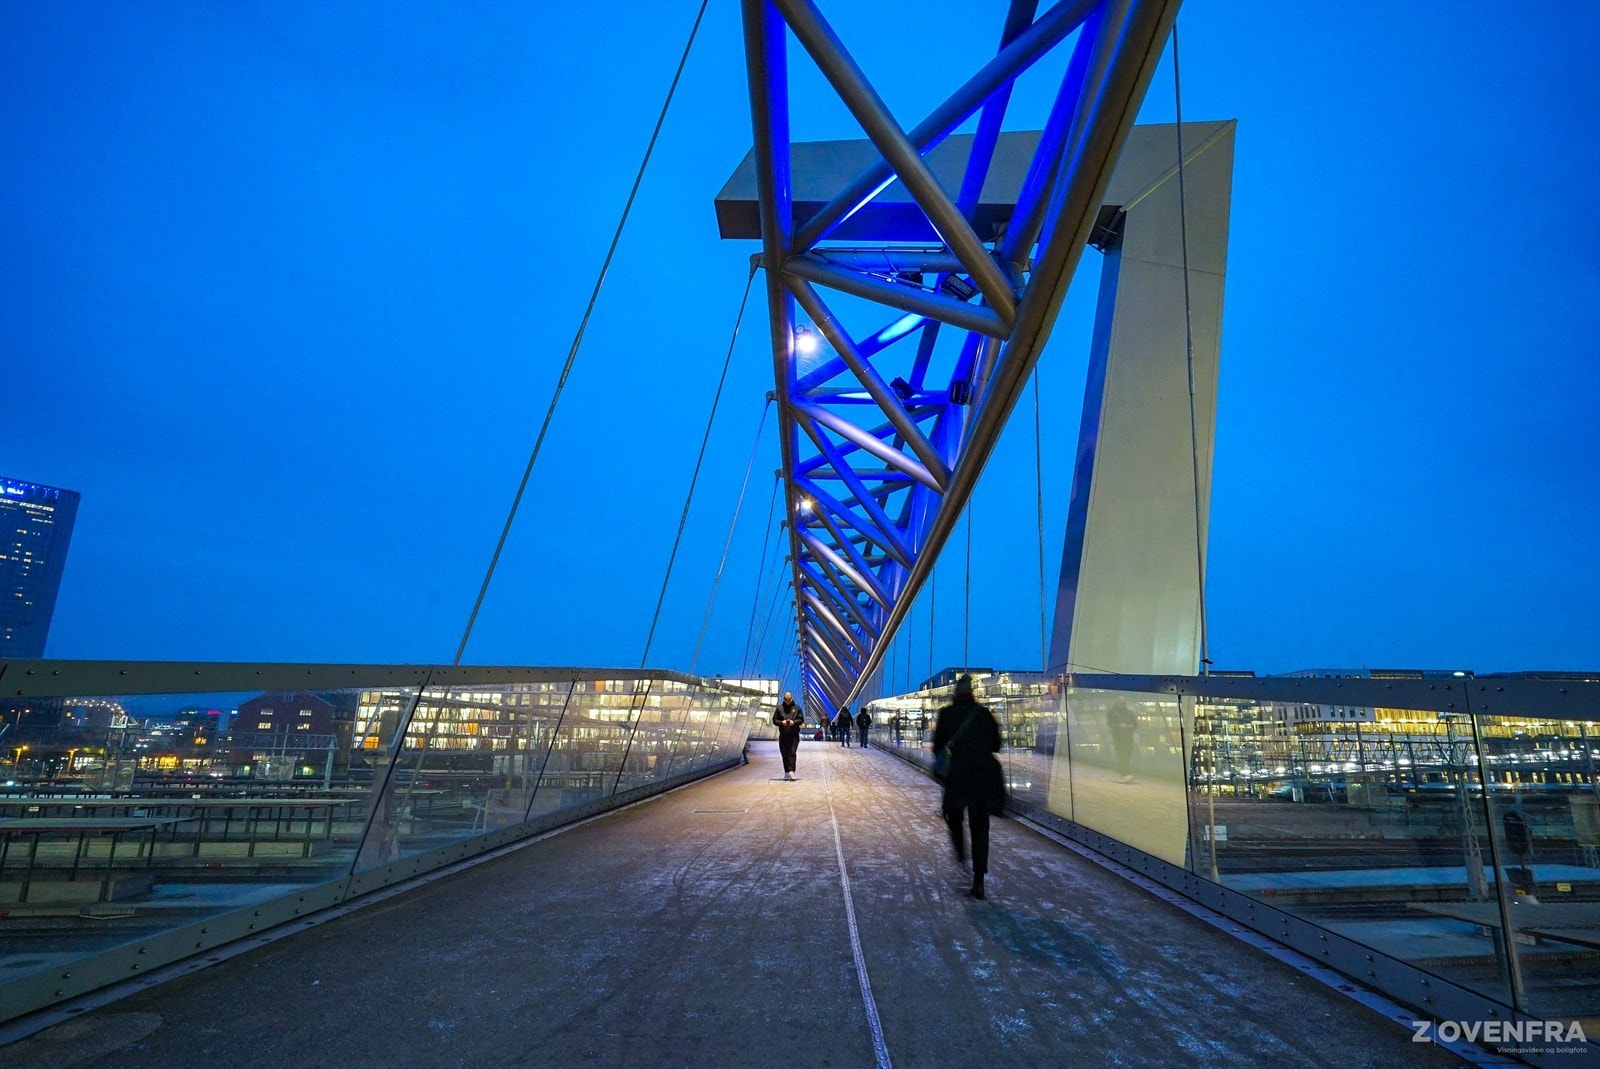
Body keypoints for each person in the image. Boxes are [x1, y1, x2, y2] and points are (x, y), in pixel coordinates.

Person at [932, 675, 1003, 899]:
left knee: (953, 816)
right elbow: (997, 745)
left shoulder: (947, 714)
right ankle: (979, 879)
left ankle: (961, 852)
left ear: (955, 693)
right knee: (980, 828)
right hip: (982, 778)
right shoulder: (983, 714)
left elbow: (937, 748)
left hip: (956, 778)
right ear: (972, 693)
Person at [774, 692, 804, 780]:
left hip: (794, 735)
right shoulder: (779, 708)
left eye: (789, 700)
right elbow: (774, 720)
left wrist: (794, 722)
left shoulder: (797, 708)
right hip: (783, 735)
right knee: (784, 753)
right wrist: (781, 722)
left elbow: (801, 719)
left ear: (791, 699)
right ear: (784, 699)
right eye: (786, 700)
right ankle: (786, 771)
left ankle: (792, 771)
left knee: (792, 752)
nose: (788, 702)